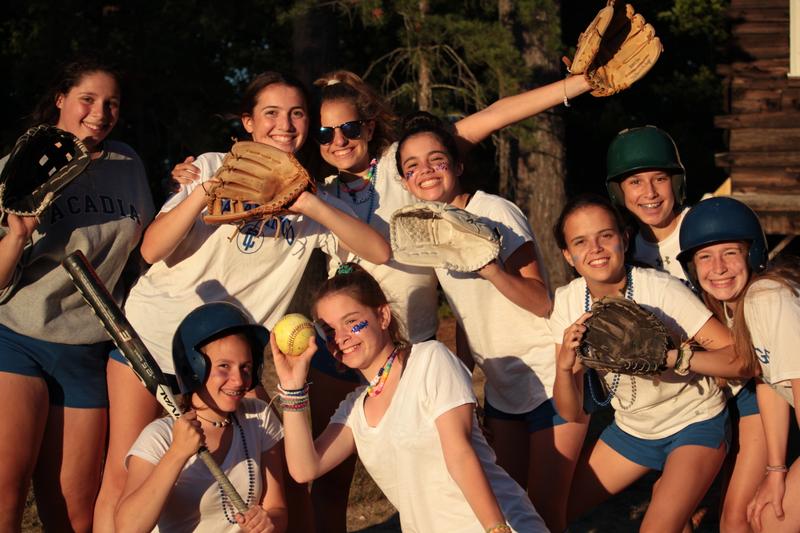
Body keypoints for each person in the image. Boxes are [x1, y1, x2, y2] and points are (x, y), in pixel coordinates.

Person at [94, 71, 390, 532]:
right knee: (124, 471)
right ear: (249, 122)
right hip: (152, 337)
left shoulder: (315, 192)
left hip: (233, 361)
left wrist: (309, 206)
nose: (285, 125)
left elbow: (378, 251)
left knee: (287, 477)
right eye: (270, 113)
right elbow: (151, 250)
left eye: (297, 114)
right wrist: (204, 194)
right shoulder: (214, 166)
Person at [392, 111, 587, 532]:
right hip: (502, 391)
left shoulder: (494, 211)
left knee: (546, 516)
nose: (424, 171)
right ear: (406, 183)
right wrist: (465, 383)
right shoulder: (434, 230)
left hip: (550, 377)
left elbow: (540, 301)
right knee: (512, 512)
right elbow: (466, 316)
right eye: (412, 167)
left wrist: (491, 268)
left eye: (436, 159)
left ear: (458, 166)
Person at [272, 262, 548, 533]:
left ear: (382, 316)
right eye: (329, 330)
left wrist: (495, 528)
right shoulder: (355, 408)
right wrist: (293, 388)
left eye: (352, 322)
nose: (341, 337)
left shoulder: (430, 360)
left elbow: (460, 454)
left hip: (497, 523)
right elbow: (304, 469)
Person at [0, 59, 154, 531]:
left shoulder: (128, 164)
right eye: (88, 98)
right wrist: (17, 234)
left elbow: (146, 251)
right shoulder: (18, 166)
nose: (100, 112)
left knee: (72, 508)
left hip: (90, 348)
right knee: (6, 488)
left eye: (112, 103)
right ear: (61, 99)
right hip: (18, 337)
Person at [549, 194, 755, 532]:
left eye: (606, 235)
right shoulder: (569, 303)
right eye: (581, 241)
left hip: (695, 422)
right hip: (634, 430)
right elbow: (572, 413)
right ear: (568, 255)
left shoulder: (659, 290)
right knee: (549, 512)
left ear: (625, 239)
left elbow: (741, 359)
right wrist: (564, 366)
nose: (596, 248)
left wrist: (671, 358)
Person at [606, 127, 766, 532]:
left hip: (746, 383)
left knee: (737, 514)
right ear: (618, 191)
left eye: (659, 178)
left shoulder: (707, 221)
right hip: (692, 393)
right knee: (681, 512)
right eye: (635, 181)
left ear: (676, 181)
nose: (649, 192)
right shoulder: (625, 249)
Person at [676, 196, 800, 533]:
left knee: (774, 521)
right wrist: (776, 471)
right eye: (704, 257)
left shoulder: (767, 297)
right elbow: (771, 385)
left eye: (730, 252)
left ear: (753, 254)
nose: (717, 267)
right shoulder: (735, 309)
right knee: (752, 517)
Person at [116, 301, 287, 533]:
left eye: (245, 367)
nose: (239, 380)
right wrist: (177, 453)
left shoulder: (258, 417)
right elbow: (127, 528)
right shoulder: (160, 437)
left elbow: (277, 507)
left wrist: (268, 523)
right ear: (194, 368)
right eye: (224, 366)